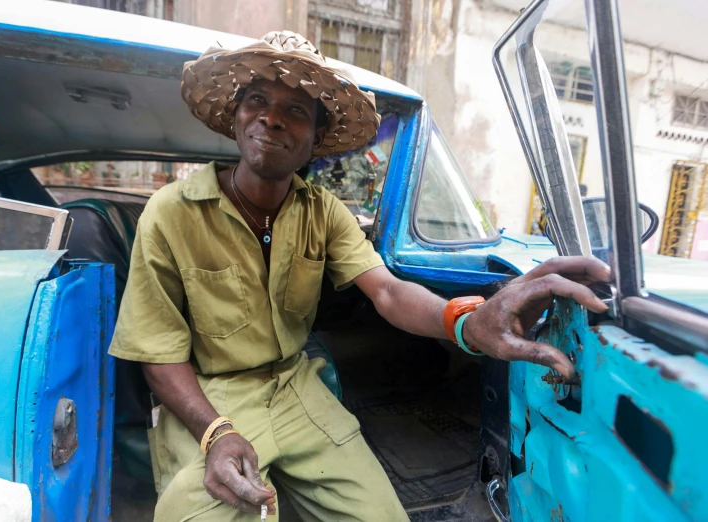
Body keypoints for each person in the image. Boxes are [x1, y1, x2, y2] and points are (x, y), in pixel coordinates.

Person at [109, 31, 610, 522]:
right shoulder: (170, 212)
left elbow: (388, 291)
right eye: (257, 100)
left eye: (296, 111)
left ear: (315, 141)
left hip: (295, 386)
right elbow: (158, 353)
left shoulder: (323, 211)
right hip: (208, 400)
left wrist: (466, 320)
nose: (271, 118)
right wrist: (217, 432)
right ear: (236, 115)